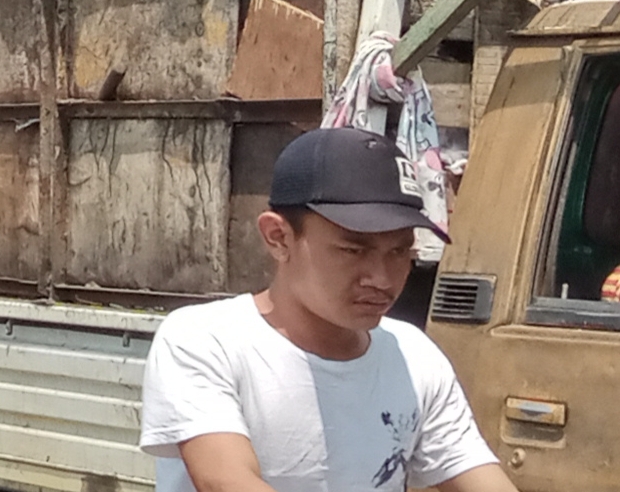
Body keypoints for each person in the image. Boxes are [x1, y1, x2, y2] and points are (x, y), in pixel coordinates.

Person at [139, 128, 517, 492]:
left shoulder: (413, 356)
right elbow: (225, 481)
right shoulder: (207, 340)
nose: (381, 278)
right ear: (279, 238)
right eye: (353, 250)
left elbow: (476, 474)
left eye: (400, 251)